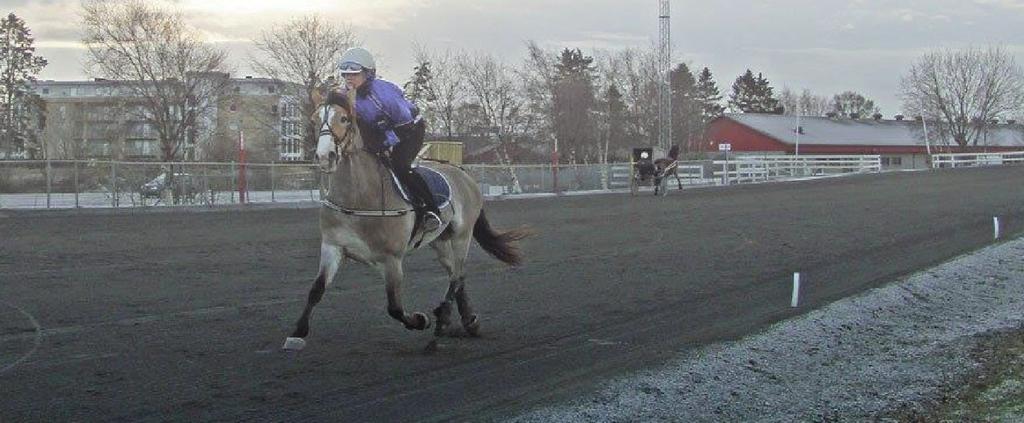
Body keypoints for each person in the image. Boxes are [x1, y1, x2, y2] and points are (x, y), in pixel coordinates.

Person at [337, 47, 441, 232]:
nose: (348, 79)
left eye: (354, 74)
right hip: (381, 132)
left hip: (410, 130)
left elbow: (405, 125)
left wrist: (385, 144)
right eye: (346, 74)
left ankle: (430, 210)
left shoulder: (385, 93)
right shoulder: (345, 95)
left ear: (368, 74)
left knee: (400, 166)